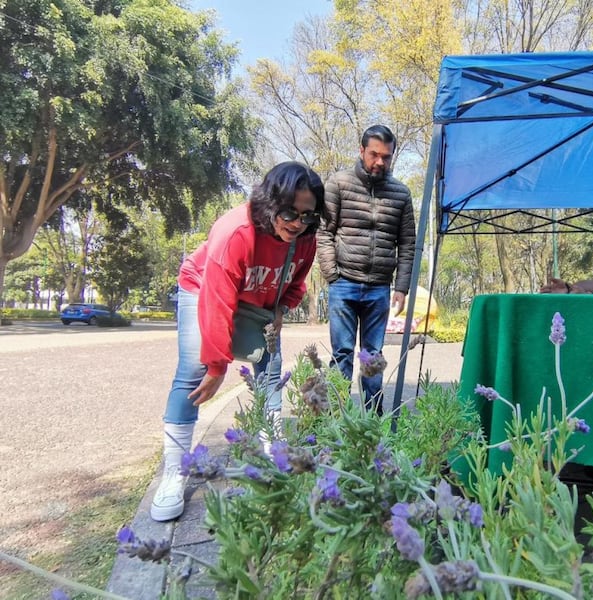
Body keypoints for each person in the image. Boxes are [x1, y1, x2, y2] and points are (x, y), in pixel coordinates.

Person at [150, 161, 327, 521]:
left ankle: (272, 446)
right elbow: (217, 301)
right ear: (269, 201)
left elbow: (295, 280)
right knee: (193, 372)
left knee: (271, 368)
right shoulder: (237, 232)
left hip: (259, 302)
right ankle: (174, 471)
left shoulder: (305, 238)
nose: (297, 223)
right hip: (203, 289)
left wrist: (283, 310)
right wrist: (217, 366)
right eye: (290, 212)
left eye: (307, 216)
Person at [317, 124, 416, 414]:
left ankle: (373, 421)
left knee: (373, 357)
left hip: (379, 289)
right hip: (343, 283)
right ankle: (336, 419)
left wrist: (401, 287)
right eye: (374, 154)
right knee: (342, 355)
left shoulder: (401, 193)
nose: (379, 162)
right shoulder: (338, 184)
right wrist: (331, 274)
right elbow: (324, 232)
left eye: (386, 156)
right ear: (361, 151)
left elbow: (407, 243)